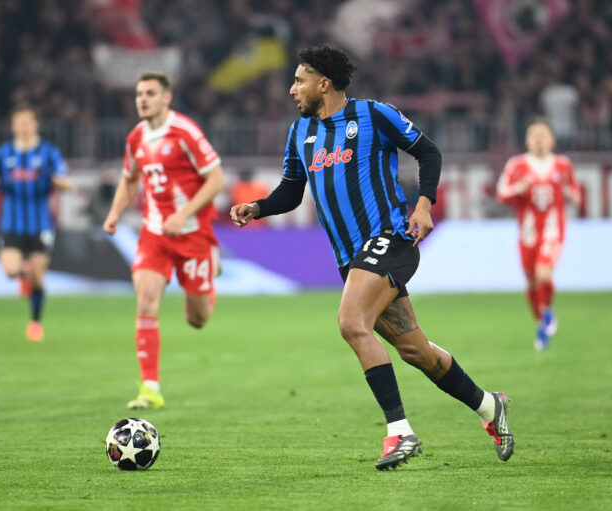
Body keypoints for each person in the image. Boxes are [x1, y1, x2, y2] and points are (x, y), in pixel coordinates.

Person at [231, 45, 514, 471]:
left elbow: (428, 152)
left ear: (323, 84)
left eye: (299, 80)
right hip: (351, 257)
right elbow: (291, 191)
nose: (292, 89)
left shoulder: (373, 115)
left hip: (389, 238)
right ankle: (489, 405)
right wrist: (257, 208)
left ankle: (400, 432)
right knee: (415, 350)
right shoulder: (301, 132)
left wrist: (424, 205)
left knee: (351, 322)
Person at [103, 72, 225, 410]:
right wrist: (114, 213)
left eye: (150, 93)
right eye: (139, 94)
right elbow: (130, 180)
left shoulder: (185, 132)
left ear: (166, 98)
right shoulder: (135, 138)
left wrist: (184, 214)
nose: (143, 99)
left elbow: (216, 180)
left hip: (193, 234)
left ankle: (209, 271)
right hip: (154, 234)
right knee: (146, 301)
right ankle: (150, 388)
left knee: (197, 319)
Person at [0, 105, 71, 342]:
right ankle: (23, 273)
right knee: (10, 270)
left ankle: (35, 322)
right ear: (13, 126)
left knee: (38, 279)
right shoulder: (3, 153)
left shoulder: (48, 152)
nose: (23, 126)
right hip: (10, 223)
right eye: (19, 122)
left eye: (27, 122)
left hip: (41, 224)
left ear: (36, 125)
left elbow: (66, 182)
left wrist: (57, 181)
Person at [496, 118, 582, 350]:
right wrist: (519, 188)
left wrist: (575, 197)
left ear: (552, 139)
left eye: (543, 134)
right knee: (532, 282)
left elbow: (574, 190)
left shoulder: (563, 165)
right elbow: (501, 193)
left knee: (543, 273)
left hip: (553, 231)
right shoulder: (516, 165)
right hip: (527, 234)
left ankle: (548, 311)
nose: (539, 139)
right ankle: (540, 323)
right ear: (527, 140)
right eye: (534, 135)